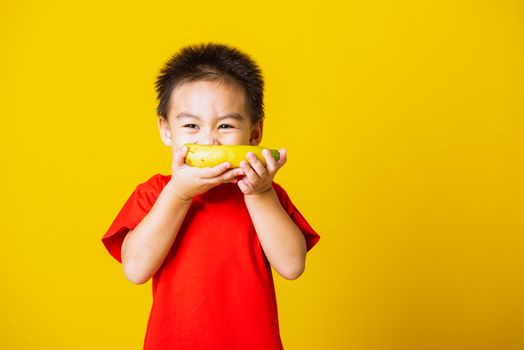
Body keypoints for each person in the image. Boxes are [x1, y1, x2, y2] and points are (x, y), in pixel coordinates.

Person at [101, 42, 320, 350]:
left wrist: (260, 194)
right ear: (166, 130)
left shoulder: (264, 192)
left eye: (226, 125)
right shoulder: (155, 192)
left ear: (254, 134)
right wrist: (177, 194)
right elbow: (136, 269)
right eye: (191, 125)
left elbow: (292, 265)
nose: (209, 139)